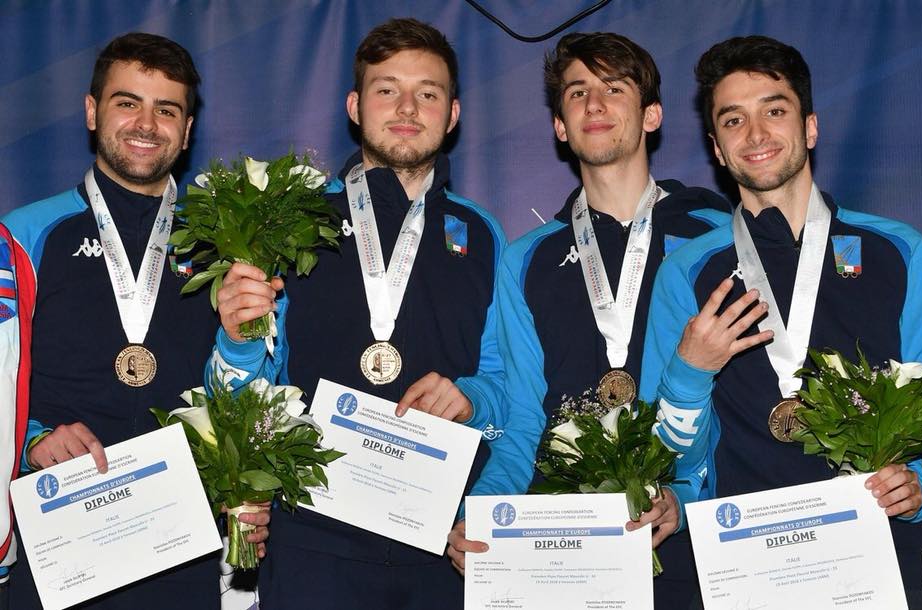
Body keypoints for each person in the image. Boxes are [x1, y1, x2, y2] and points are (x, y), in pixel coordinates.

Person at [642, 35, 922, 609]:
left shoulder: (897, 251)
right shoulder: (686, 272)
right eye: (733, 120)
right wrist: (688, 373)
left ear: (810, 128)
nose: (755, 134)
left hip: (876, 566)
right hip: (742, 569)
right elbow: (670, 458)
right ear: (717, 149)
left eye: (774, 111)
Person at [208, 18, 506, 610]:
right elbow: (244, 392)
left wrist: (473, 399)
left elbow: (506, 386)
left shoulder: (481, 233)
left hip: (441, 544)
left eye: (428, 93)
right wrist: (236, 342)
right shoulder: (288, 222)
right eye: (386, 89)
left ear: (452, 115)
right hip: (313, 540)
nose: (407, 108)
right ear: (354, 106)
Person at [444, 32, 731, 609]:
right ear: (560, 125)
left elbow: (742, 403)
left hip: (682, 543)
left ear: (652, 115)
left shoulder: (716, 238)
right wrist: (481, 512)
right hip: (561, 551)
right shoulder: (527, 260)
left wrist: (684, 497)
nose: (594, 104)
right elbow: (524, 421)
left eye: (614, 89)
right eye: (577, 92)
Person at [0, 32, 269, 609]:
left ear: (187, 130)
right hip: (61, 535)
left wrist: (240, 346)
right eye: (127, 103)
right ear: (91, 111)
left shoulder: (227, 242)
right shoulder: (23, 235)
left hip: (184, 541)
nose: (146, 124)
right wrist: (33, 440)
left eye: (166, 110)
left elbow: (255, 392)